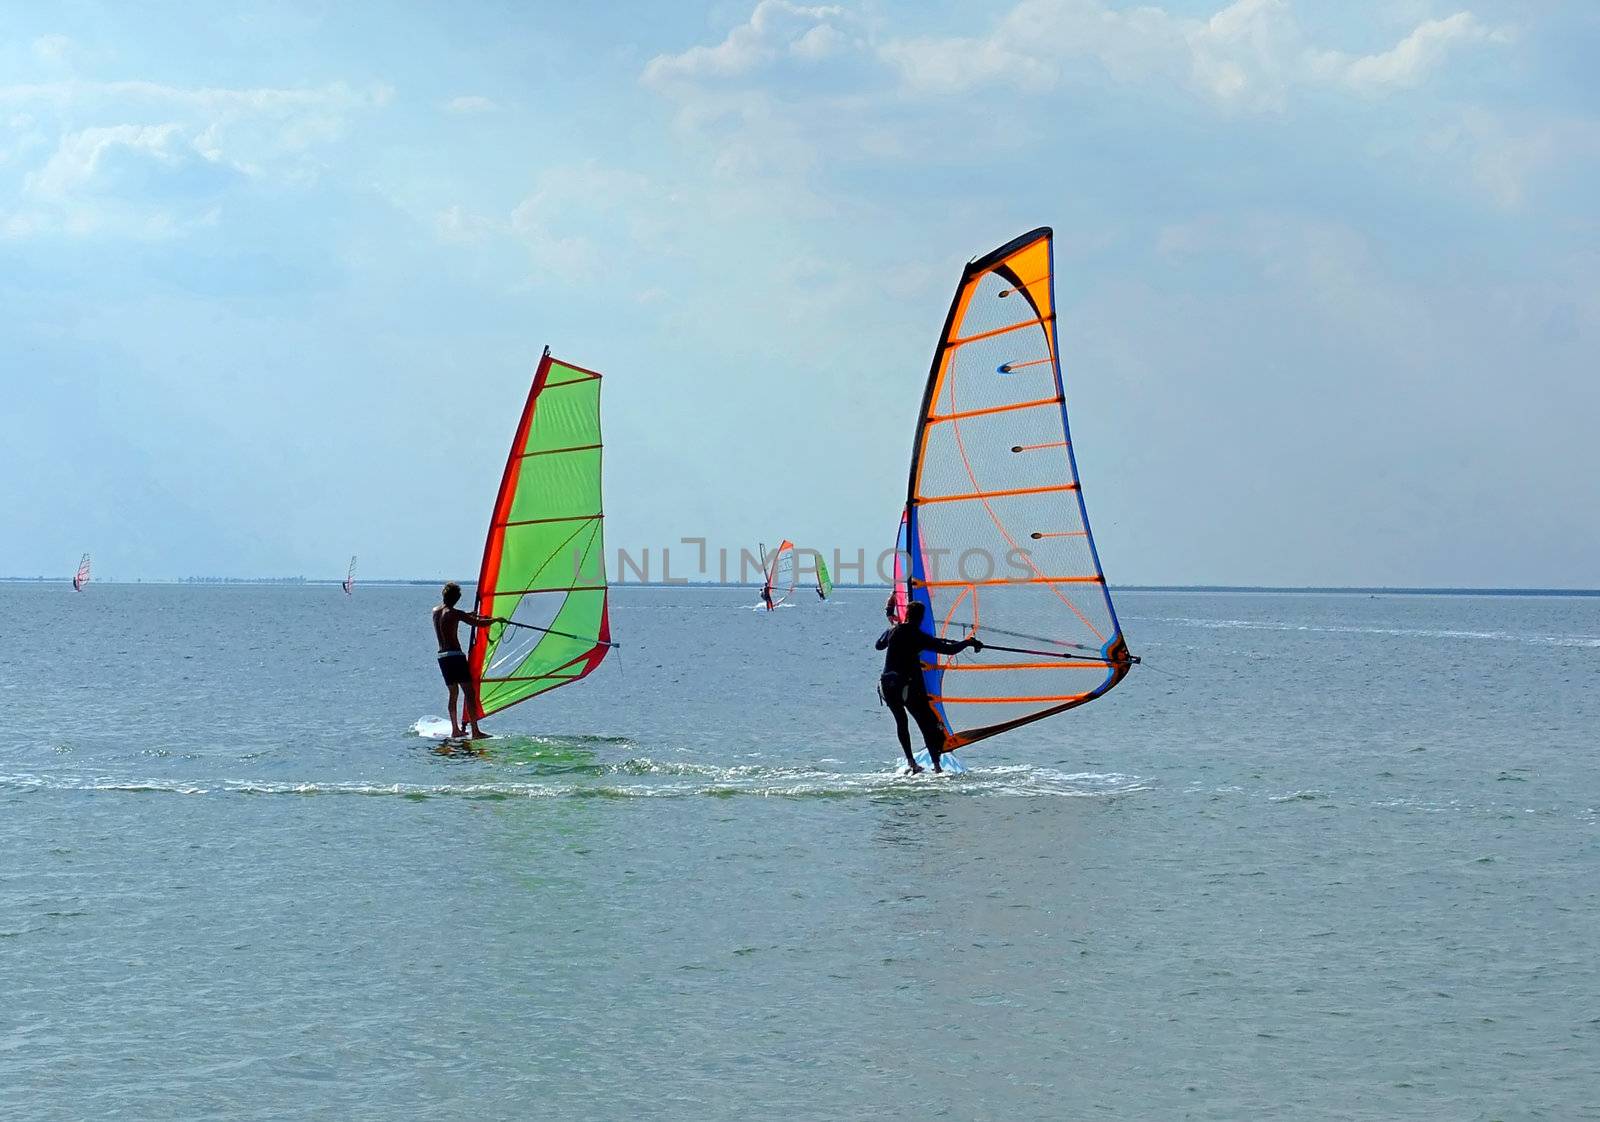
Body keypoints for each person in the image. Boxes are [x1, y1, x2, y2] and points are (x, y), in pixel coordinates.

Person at [875, 600, 981, 773]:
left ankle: (911, 762)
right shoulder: (919, 636)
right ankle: (937, 767)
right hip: (906, 686)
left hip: (887, 685)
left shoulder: (894, 631)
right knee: (927, 724)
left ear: (907, 615)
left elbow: (879, 645)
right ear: (922, 618)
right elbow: (950, 650)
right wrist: (968, 642)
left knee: (901, 722)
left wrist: (891, 625)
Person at [432, 582, 503, 739]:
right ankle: (476, 732)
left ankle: (455, 730)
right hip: (455, 656)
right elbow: (478, 624)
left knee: (453, 693)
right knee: (469, 693)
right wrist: (496, 619)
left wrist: (467, 614)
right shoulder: (455, 613)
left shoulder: (435, 611)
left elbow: (456, 617)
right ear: (456, 598)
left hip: (442, 657)